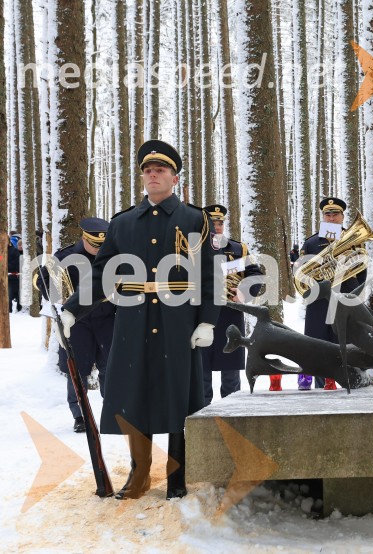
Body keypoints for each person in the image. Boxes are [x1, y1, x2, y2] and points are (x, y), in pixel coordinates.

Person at [62, 139, 220, 500]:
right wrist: (73, 308)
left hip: (179, 322)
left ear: (175, 179)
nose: (153, 174)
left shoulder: (195, 219)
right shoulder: (122, 224)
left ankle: (177, 476)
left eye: (161, 170)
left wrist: (207, 321)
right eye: (148, 170)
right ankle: (140, 475)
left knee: (178, 395)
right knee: (134, 394)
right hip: (132, 322)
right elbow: (102, 277)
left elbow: (209, 276)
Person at [37, 218, 116, 433]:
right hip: (78, 322)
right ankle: (80, 415)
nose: (99, 250)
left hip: (107, 319)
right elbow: (42, 280)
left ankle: (111, 413)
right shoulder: (64, 256)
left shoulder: (114, 256)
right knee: (78, 370)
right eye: (94, 245)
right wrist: (58, 296)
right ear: (84, 238)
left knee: (110, 367)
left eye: (103, 246)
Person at [292, 197, 367, 391]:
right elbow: (300, 273)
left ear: (342, 217)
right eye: (328, 214)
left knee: (346, 340)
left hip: (345, 297)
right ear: (323, 217)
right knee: (317, 342)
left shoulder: (355, 240)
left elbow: (362, 272)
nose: (331, 218)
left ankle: (350, 381)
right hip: (319, 301)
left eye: (335, 214)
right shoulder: (310, 243)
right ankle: (319, 384)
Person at [201, 204, 263, 404]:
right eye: (213, 223)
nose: (217, 227)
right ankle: (201, 416)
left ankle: (232, 412)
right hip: (201, 315)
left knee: (231, 373)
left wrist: (243, 292)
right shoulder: (193, 248)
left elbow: (255, 273)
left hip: (230, 315)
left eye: (220, 223)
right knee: (201, 372)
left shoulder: (238, 249)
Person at [7, 233, 21, 312]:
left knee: (9, 295)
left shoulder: (14, 251)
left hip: (12, 277)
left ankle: (9, 311)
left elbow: (16, 263)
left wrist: (4, 265)